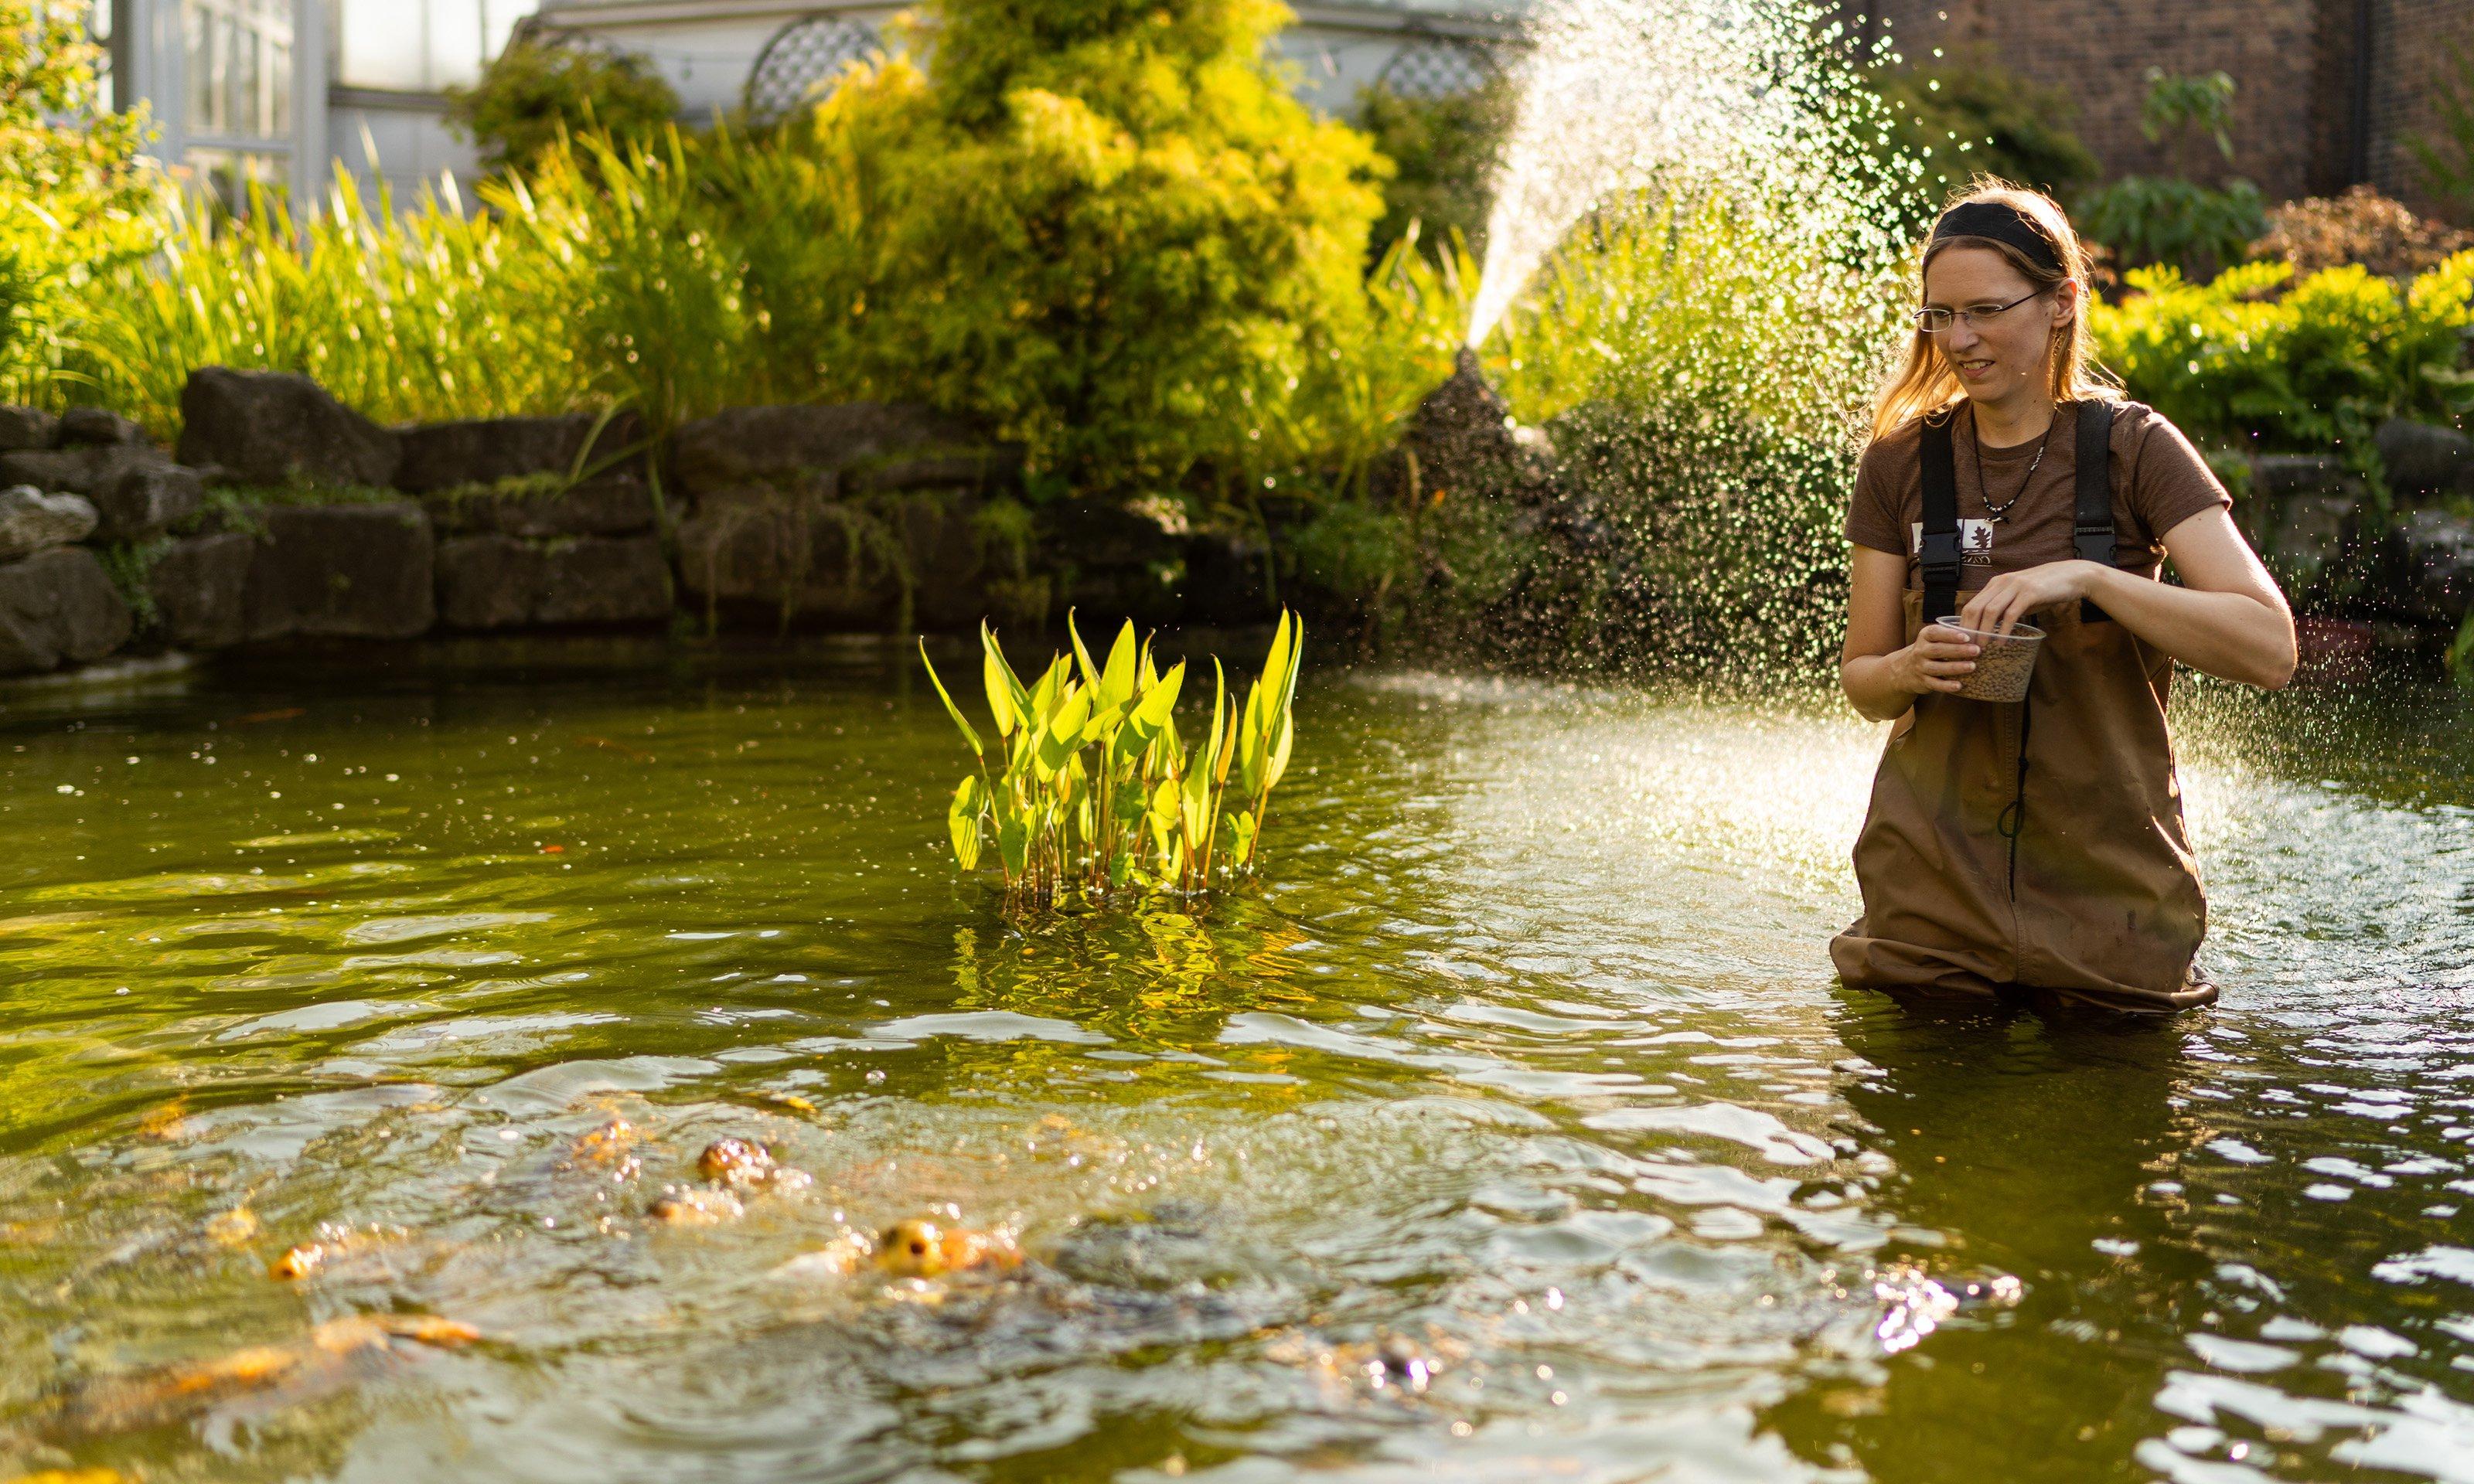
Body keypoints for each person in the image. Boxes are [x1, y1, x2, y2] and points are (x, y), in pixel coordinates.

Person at [1830, 182, 2296, 1014]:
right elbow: (1862, 680)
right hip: (1927, 909)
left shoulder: (2134, 450)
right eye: (1938, 316)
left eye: (1982, 310)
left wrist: (2087, 579)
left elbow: (2268, 648)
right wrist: (1909, 664)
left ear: (2059, 303)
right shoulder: (1896, 464)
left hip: (2109, 916)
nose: (1957, 341)